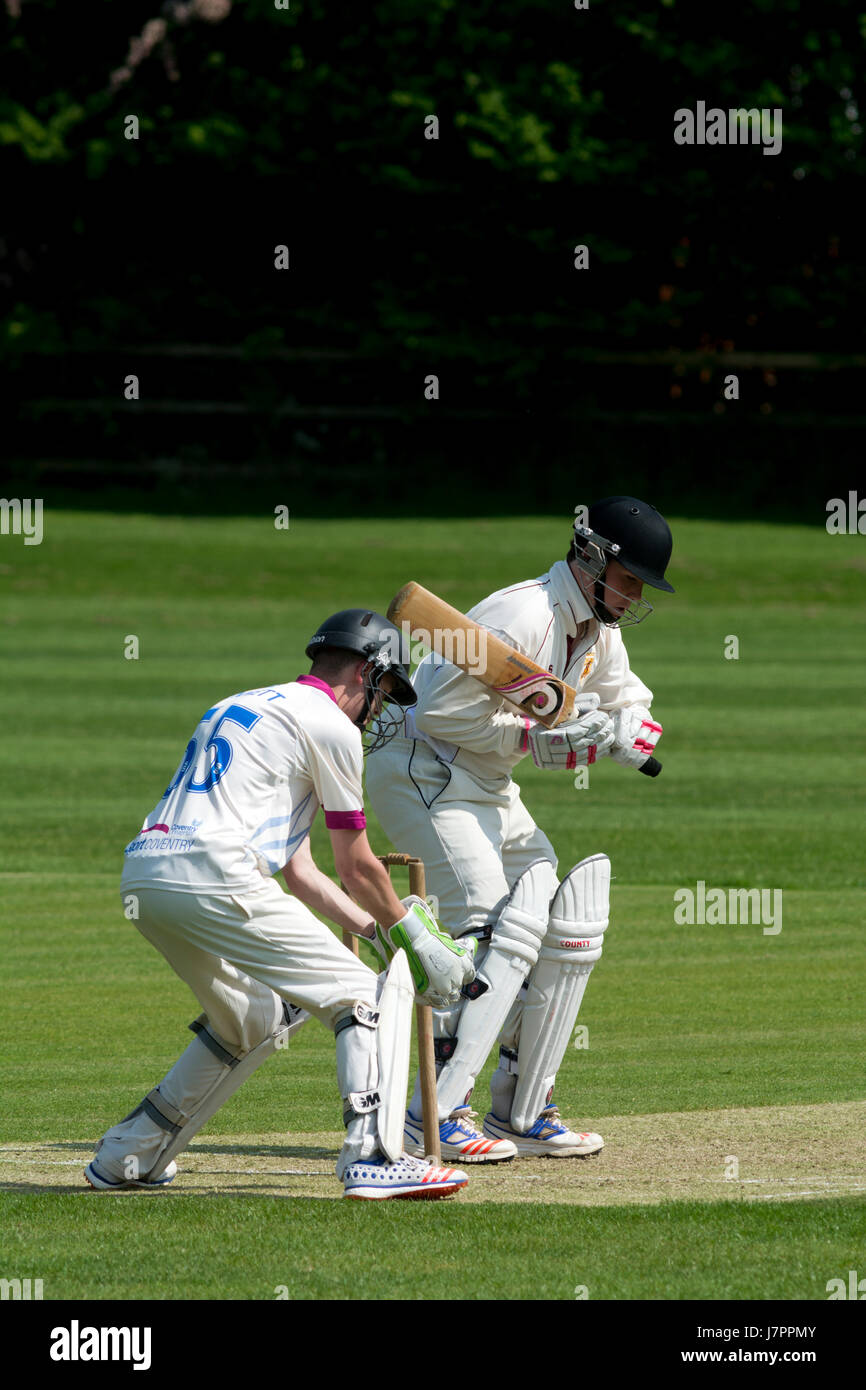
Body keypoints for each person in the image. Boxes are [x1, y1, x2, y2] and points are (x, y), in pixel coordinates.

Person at [85, 609, 476, 1200]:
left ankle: (127, 1156)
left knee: (250, 1019)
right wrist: (414, 935)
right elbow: (358, 867)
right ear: (368, 671)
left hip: (147, 875)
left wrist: (377, 930)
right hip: (218, 873)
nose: (379, 711)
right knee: (361, 995)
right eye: (385, 692)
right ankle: (372, 1157)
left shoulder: (245, 704)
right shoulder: (332, 728)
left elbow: (302, 874)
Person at [365, 497, 674, 1162]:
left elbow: (631, 701)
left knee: (564, 916)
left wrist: (628, 734)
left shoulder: (597, 629)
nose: (636, 593)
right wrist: (539, 743)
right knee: (486, 927)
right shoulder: (522, 613)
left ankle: (522, 1106)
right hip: (429, 772)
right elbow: (442, 713)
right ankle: (434, 1111)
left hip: (489, 784)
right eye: (630, 578)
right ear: (592, 558)